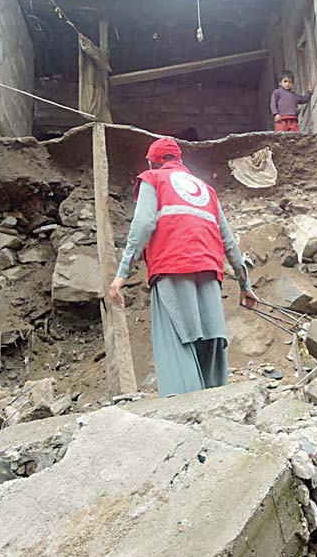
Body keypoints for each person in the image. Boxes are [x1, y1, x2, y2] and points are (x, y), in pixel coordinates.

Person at [109, 137, 257, 397]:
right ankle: (218, 408)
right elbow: (229, 240)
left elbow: (143, 224)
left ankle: (186, 417)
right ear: (180, 161)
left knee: (177, 346)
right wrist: (245, 285)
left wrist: (122, 273)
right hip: (210, 273)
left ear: (153, 162)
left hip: (171, 269)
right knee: (210, 345)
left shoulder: (153, 179)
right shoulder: (206, 190)